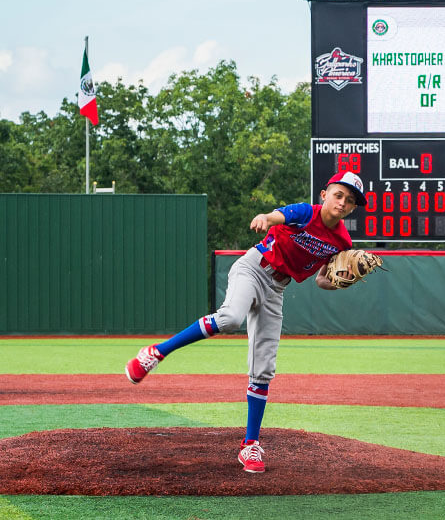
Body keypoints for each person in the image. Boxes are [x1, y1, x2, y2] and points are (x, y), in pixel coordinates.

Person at [123, 171, 367, 474]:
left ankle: (250, 445)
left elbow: (321, 281)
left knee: (264, 368)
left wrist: (343, 281)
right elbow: (279, 215)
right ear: (324, 195)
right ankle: (155, 353)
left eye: (350, 200)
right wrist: (265, 217)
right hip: (253, 268)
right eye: (338, 194)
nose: (342, 202)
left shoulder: (342, 241)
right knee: (231, 317)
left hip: (278, 288)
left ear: (353, 208)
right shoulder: (307, 212)